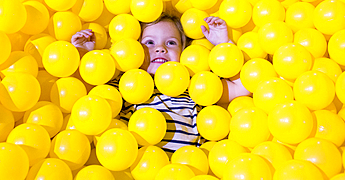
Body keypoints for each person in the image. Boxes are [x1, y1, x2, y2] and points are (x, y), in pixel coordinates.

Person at [71, 13, 250, 155]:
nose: (160, 48)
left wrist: (223, 45)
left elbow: (242, 87)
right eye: (149, 42)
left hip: (186, 168)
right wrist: (84, 53)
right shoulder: (123, 84)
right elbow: (86, 96)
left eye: (171, 43)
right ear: (134, 49)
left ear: (183, 52)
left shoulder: (193, 84)